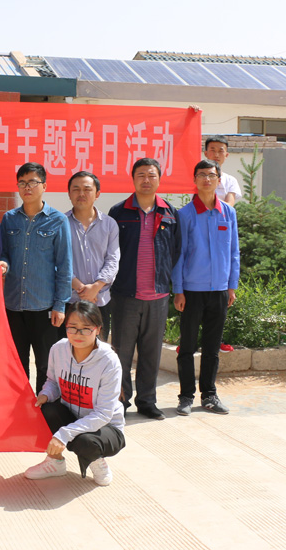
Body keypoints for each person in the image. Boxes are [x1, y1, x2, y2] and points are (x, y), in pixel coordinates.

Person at [108, 158, 181, 421]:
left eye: (151, 175)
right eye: (141, 175)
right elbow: (111, 251)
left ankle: (147, 401)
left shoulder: (170, 212)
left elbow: (176, 251)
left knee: (151, 353)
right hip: (125, 294)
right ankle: (121, 402)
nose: (146, 180)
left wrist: (172, 285)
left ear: (159, 179)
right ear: (133, 179)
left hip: (158, 296)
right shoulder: (119, 212)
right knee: (122, 354)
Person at [23, 301, 126, 487]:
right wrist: (45, 394)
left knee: (85, 441)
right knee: (45, 409)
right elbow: (53, 382)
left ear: (97, 329)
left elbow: (103, 414)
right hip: (73, 415)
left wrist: (64, 434)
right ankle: (55, 462)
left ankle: (96, 460)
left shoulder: (109, 361)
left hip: (105, 426)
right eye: (72, 327)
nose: (78, 334)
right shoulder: (58, 349)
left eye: (86, 328)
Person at [173, 159, 240, 416]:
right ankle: (186, 396)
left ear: (219, 180)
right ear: (195, 180)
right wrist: (179, 289)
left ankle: (209, 395)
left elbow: (234, 252)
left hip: (219, 290)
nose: (207, 179)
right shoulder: (185, 214)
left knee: (212, 348)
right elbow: (179, 255)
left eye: (211, 175)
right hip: (192, 290)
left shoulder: (228, 213)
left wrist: (231, 286)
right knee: (187, 347)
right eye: (202, 175)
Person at [0, 162, 73, 391]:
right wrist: (3, 263)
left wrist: (60, 305)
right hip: (13, 305)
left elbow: (64, 265)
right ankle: (20, 407)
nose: (27, 187)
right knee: (17, 365)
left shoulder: (58, 220)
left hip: (44, 307)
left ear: (44, 186)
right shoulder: (9, 219)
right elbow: (3, 253)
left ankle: (44, 408)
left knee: (45, 365)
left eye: (32, 182)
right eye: (22, 183)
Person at [65, 171, 119, 341]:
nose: (81, 193)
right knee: (70, 349)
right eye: (76, 189)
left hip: (100, 300)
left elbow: (113, 259)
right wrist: (80, 288)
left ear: (97, 194)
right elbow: (57, 261)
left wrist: (96, 286)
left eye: (87, 189)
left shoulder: (109, 224)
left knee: (98, 348)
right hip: (69, 300)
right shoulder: (60, 223)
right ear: (69, 194)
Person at [203, 134, 240, 353]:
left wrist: (213, 214)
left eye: (221, 150)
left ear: (227, 155)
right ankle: (187, 339)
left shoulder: (230, 180)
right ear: (205, 152)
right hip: (199, 231)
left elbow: (229, 206)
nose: (216, 154)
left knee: (220, 295)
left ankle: (217, 340)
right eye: (212, 150)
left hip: (221, 233)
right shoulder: (199, 175)